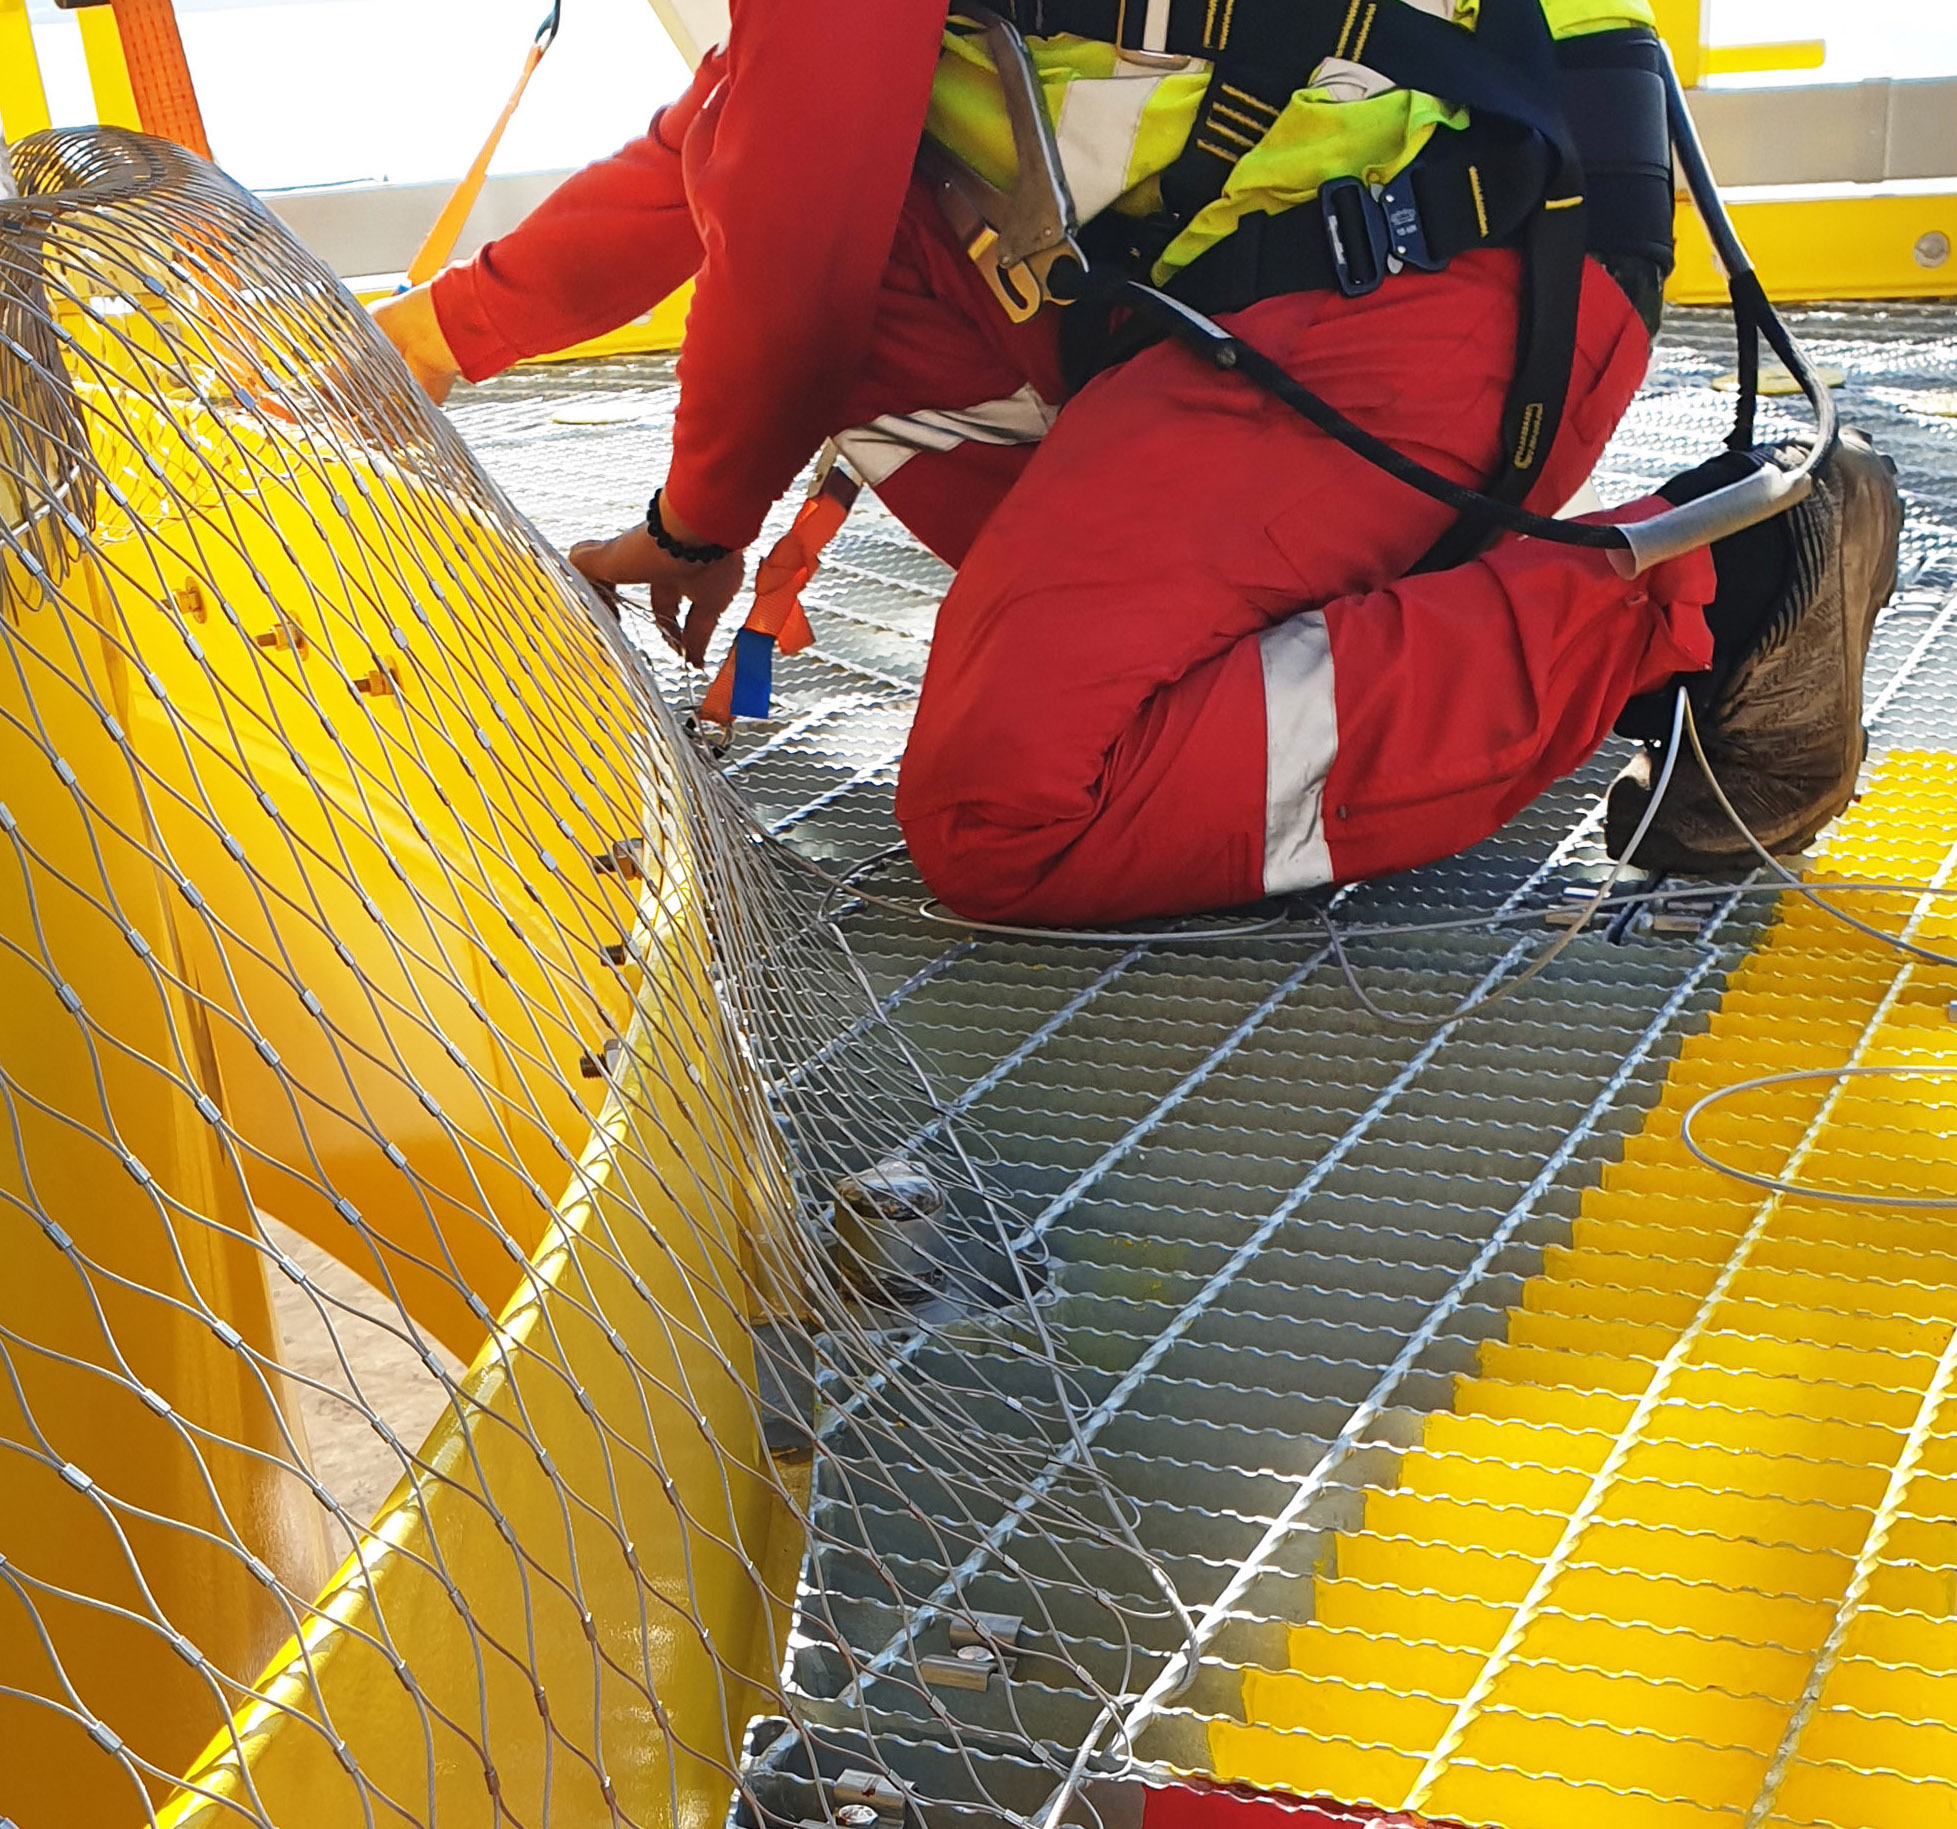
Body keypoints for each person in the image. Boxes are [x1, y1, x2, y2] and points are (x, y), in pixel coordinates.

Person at [373, 0, 1900, 928]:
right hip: (1416, 252)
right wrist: (407, 357)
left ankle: (1713, 596)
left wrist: (700, 519)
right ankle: (1210, 624)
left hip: (1440, 279)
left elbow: (794, 219)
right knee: (878, 283)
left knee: (1010, 803)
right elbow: (733, 145)